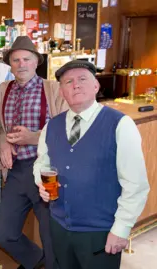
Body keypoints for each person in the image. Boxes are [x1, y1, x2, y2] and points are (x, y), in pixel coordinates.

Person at [34, 60, 150, 269]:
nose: (75, 85)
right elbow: (42, 162)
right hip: (59, 227)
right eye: (68, 81)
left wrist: (121, 229)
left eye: (82, 79)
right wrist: (41, 182)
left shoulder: (120, 125)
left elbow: (136, 184)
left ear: (96, 86)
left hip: (100, 233)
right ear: (61, 91)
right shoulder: (52, 126)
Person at [0, 36, 68, 269]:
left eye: (26, 59)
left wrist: (32, 138)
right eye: (16, 60)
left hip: (47, 172)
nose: (21, 64)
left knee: (51, 238)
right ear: (10, 65)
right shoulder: (4, 90)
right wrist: (2, 142)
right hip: (16, 173)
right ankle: (39, 262)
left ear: (37, 62)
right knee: (3, 235)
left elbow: (64, 132)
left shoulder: (53, 89)